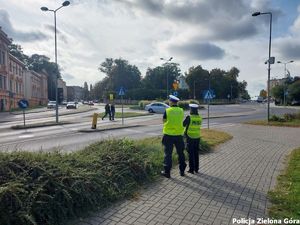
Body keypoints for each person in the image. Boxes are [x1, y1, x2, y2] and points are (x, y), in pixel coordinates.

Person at [161, 95, 186, 178]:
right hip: (179, 135)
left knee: (168, 154)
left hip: (168, 135)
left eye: (169, 101)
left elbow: (164, 121)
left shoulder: (168, 110)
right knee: (181, 153)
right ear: (177, 102)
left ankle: (167, 172)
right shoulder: (181, 110)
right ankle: (182, 171)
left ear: (171, 101)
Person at [183, 103, 202, 174]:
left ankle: (191, 169)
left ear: (191, 109)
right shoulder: (199, 117)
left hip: (190, 137)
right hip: (197, 137)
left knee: (191, 153)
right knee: (196, 153)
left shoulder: (189, 117)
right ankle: (196, 169)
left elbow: (183, 124)